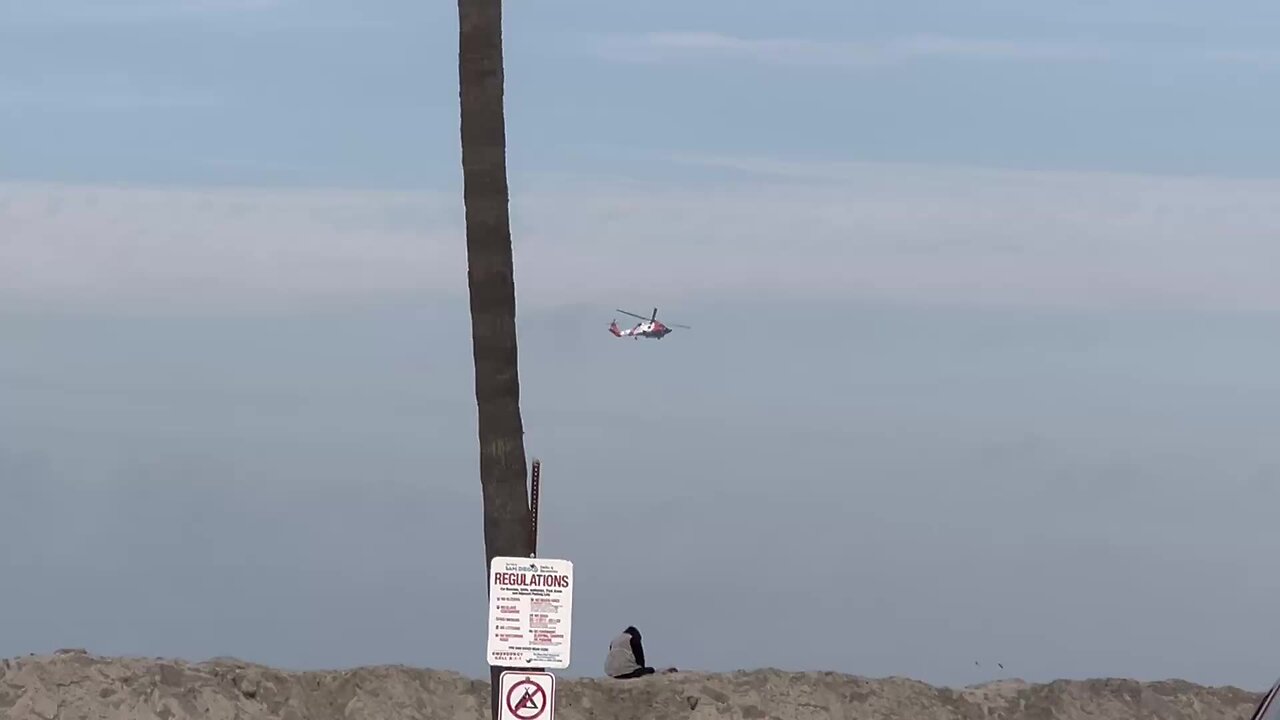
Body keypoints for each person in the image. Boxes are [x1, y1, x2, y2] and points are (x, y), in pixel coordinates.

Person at [604, 626, 676, 679]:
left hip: (611, 673)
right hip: (627, 672)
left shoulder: (615, 640)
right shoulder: (633, 638)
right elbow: (639, 657)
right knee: (650, 670)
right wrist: (642, 669)